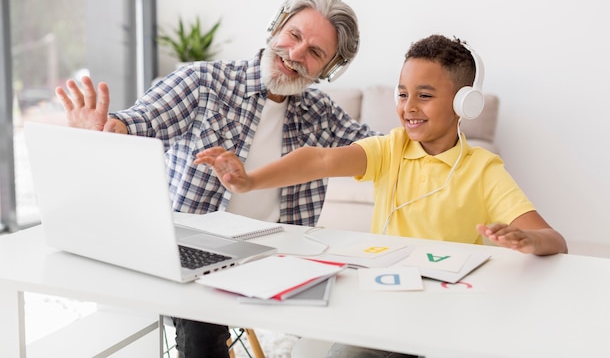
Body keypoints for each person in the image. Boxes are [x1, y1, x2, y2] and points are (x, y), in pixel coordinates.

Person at [195, 34, 568, 358]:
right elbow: (319, 158)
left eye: (424, 95)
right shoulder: (391, 148)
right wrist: (249, 180)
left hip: (450, 317)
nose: (408, 107)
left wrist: (527, 238)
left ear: (463, 104)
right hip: (387, 308)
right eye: (403, 94)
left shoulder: (483, 169)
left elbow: (555, 241)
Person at [55, 0, 376, 358]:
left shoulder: (321, 113)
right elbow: (140, 122)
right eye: (294, 35)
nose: (297, 54)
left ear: (328, 69)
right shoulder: (203, 82)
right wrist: (106, 129)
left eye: (316, 52)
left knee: (350, 310)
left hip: (280, 256)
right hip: (200, 253)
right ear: (276, 27)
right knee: (201, 332)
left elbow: (381, 149)